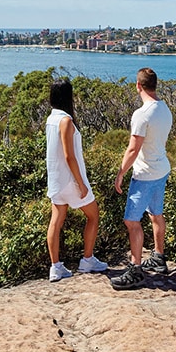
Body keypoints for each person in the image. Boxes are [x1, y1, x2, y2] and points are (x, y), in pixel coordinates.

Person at [110, 67, 174, 290]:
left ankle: (135, 269)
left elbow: (132, 149)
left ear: (138, 86)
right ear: (154, 85)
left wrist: (120, 173)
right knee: (156, 213)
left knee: (131, 220)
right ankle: (158, 257)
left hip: (145, 175)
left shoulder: (142, 114)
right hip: (161, 170)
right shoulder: (164, 109)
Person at [45, 78, 108, 281]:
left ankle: (55, 267)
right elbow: (69, 156)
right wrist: (81, 183)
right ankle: (87, 260)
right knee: (93, 215)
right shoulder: (66, 121)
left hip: (55, 181)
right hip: (70, 181)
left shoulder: (51, 119)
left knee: (56, 221)